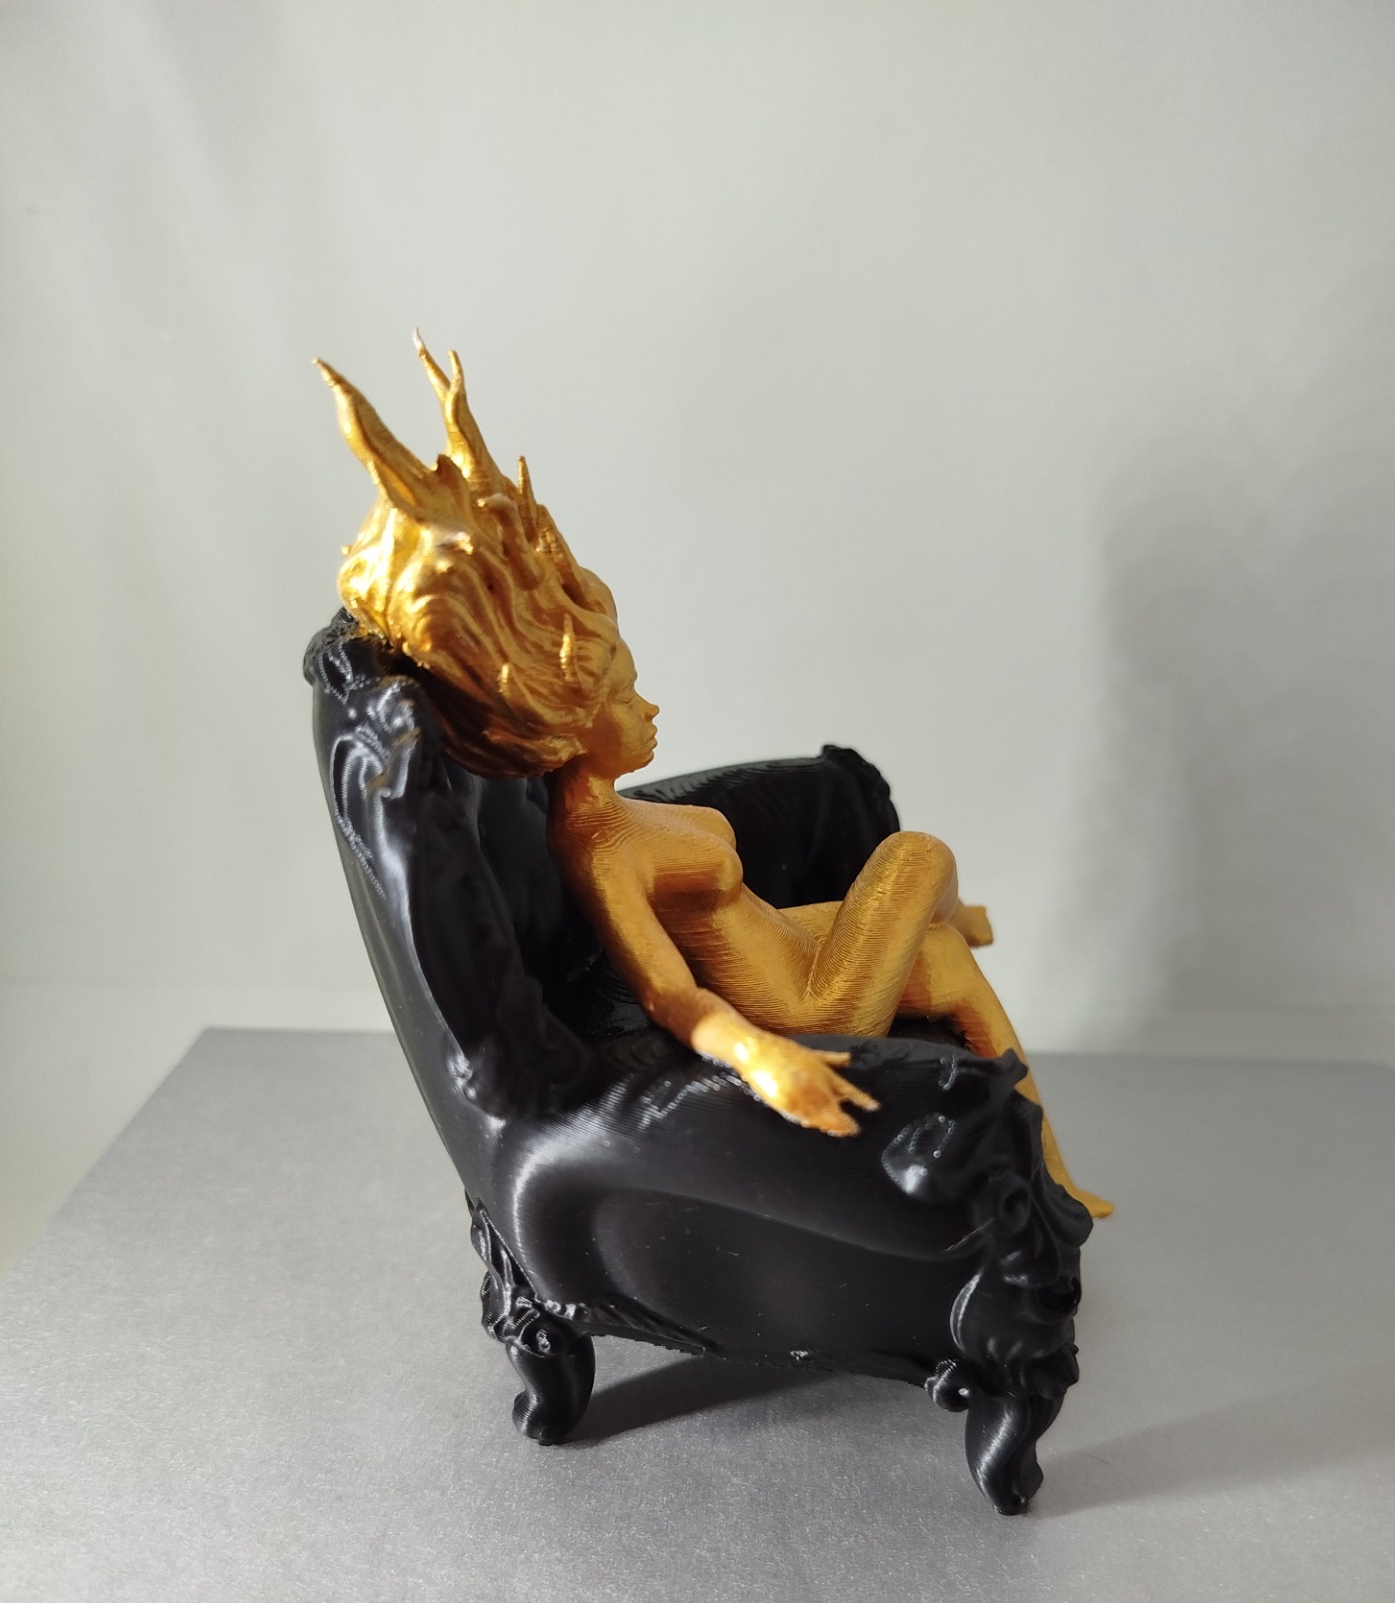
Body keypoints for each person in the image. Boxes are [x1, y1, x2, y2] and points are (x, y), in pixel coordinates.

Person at [317, 339, 1111, 1218]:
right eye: (625, 699)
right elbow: (670, 994)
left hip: (799, 946)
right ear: (565, 728)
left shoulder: (619, 814)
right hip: (803, 1001)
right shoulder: (597, 848)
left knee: (946, 962)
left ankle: (1054, 1179)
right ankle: (964, 916)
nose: (650, 708)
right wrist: (763, 1058)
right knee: (917, 856)